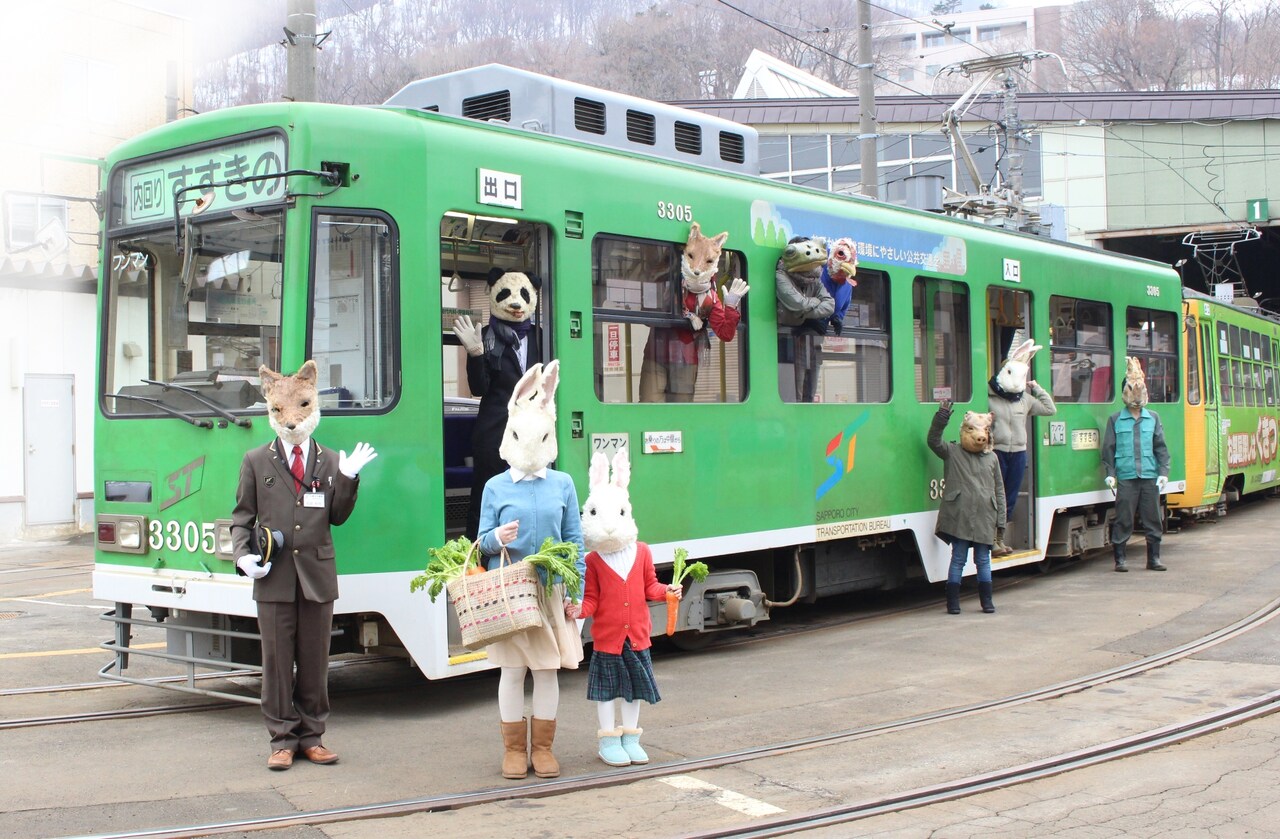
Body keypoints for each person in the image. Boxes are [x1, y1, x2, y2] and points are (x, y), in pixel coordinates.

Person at [231, 360, 378, 771]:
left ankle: (312, 736)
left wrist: (347, 479)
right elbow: (241, 517)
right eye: (279, 411)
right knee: (276, 663)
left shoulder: (330, 460)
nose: (290, 420)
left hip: (316, 577)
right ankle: (281, 739)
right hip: (274, 577)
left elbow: (337, 517)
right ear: (268, 406)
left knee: (315, 661)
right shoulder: (256, 460)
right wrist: (244, 556)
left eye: (299, 408)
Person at [477, 360, 586, 780]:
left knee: (546, 671)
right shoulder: (495, 486)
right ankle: (511, 751)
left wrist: (577, 591)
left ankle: (542, 749)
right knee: (511, 671)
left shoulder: (563, 484)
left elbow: (575, 540)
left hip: (550, 590)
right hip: (509, 591)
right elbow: (481, 540)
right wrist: (496, 539)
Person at [568, 449, 681, 767]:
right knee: (607, 693)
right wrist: (577, 610)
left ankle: (631, 739)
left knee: (633, 691)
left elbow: (651, 588)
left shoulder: (642, 552)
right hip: (608, 640)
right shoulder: (592, 560)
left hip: (638, 638)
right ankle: (608, 740)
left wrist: (668, 592)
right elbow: (591, 599)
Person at [928, 400, 1006, 615]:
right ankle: (953, 604)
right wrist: (942, 416)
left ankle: (987, 602)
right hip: (960, 515)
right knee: (959, 559)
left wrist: (1001, 523)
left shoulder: (992, 458)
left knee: (982, 560)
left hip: (985, 516)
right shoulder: (952, 452)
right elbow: (933, 440)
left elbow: (999, 490)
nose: (980, 436)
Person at [988, 338, 1057, 556]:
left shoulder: (1024, 400)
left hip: (1018, 453)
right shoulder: (988, 397)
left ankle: (1000, 538)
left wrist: (1036, 388)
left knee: (1010, 497)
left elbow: (1049, 409)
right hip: (996, 453)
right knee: (994, 497)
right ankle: (991, 539)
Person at [1100, 357, 1170, 572]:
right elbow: (1108, 450)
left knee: (1152, 519)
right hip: (1127, 478)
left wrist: (1163, 472)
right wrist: (1110, 473)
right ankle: (1120, 559)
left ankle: (1154, 559)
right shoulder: (1115, 419)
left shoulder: (1153, 418)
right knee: (1123, 519)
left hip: (1149, 476)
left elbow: (1161, 447)